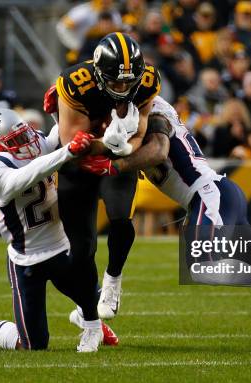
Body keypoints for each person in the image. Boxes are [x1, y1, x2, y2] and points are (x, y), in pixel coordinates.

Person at [80, 95, 251, 350]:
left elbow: (157, 152)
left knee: (203, 268)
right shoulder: (141, 115)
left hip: (208, 195)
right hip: (219, 195)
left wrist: (113, 164)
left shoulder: (157, 115)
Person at [0, 108, 118, 353]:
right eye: (16, 141)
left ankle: (86, 319)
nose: (26, 143)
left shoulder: (37, 142)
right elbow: (20, 180)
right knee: (33, 345)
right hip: (27, 259)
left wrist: (64, 107)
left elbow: (63, 132)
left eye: (24, 134)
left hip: (62, 246)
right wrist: (66, 151)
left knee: (102, 303)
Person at [45, 32, 160, 320]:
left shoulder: (145, 81)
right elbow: (73, 144)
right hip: (77, 162)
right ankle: (88, 308)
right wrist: (108, 143)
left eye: (127, 81)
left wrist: (123, 148)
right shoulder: (76, 82)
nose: (122, 87)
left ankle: (113, 279)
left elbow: (141, 132)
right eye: (115, 81)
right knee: (82, 250)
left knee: (121, 218)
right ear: (98, 73)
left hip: (115, 158)